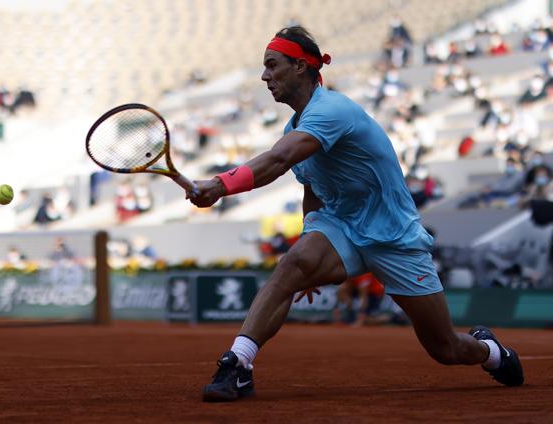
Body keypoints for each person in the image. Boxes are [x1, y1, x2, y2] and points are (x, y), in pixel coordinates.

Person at [187, 26, 524, 402]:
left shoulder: (332, 109)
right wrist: (311, 246)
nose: (265, 76)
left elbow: (279, 160)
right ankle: (238, 366)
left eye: (272, 65)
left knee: (445, 349)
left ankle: (491, 352)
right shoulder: (292, 126)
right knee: (292, 265)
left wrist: (219, 186)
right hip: (343, 227)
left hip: (393, 235)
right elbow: (312, 192)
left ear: (300, 67)